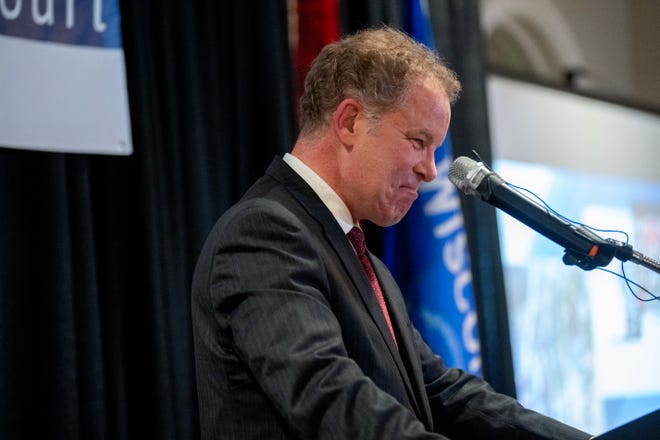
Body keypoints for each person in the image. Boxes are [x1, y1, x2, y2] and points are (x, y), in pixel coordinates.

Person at [191, 27, 593, 439]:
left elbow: (443, 392)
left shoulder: (367, 265)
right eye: (419, 141)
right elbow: (332, 400)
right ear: (349, 121)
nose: (431, 170)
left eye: (435, 149)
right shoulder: (264, 234)